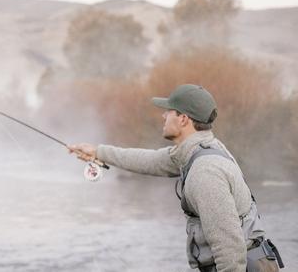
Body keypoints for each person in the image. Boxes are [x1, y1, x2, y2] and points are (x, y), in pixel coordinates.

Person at [68, 84, 283, 272]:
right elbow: (150, 160)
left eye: (168, 112)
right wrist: (97, 152)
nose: (163, 116)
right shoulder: (197, 150)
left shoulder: (205, 172)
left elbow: (229, 248)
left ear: (183, 119)